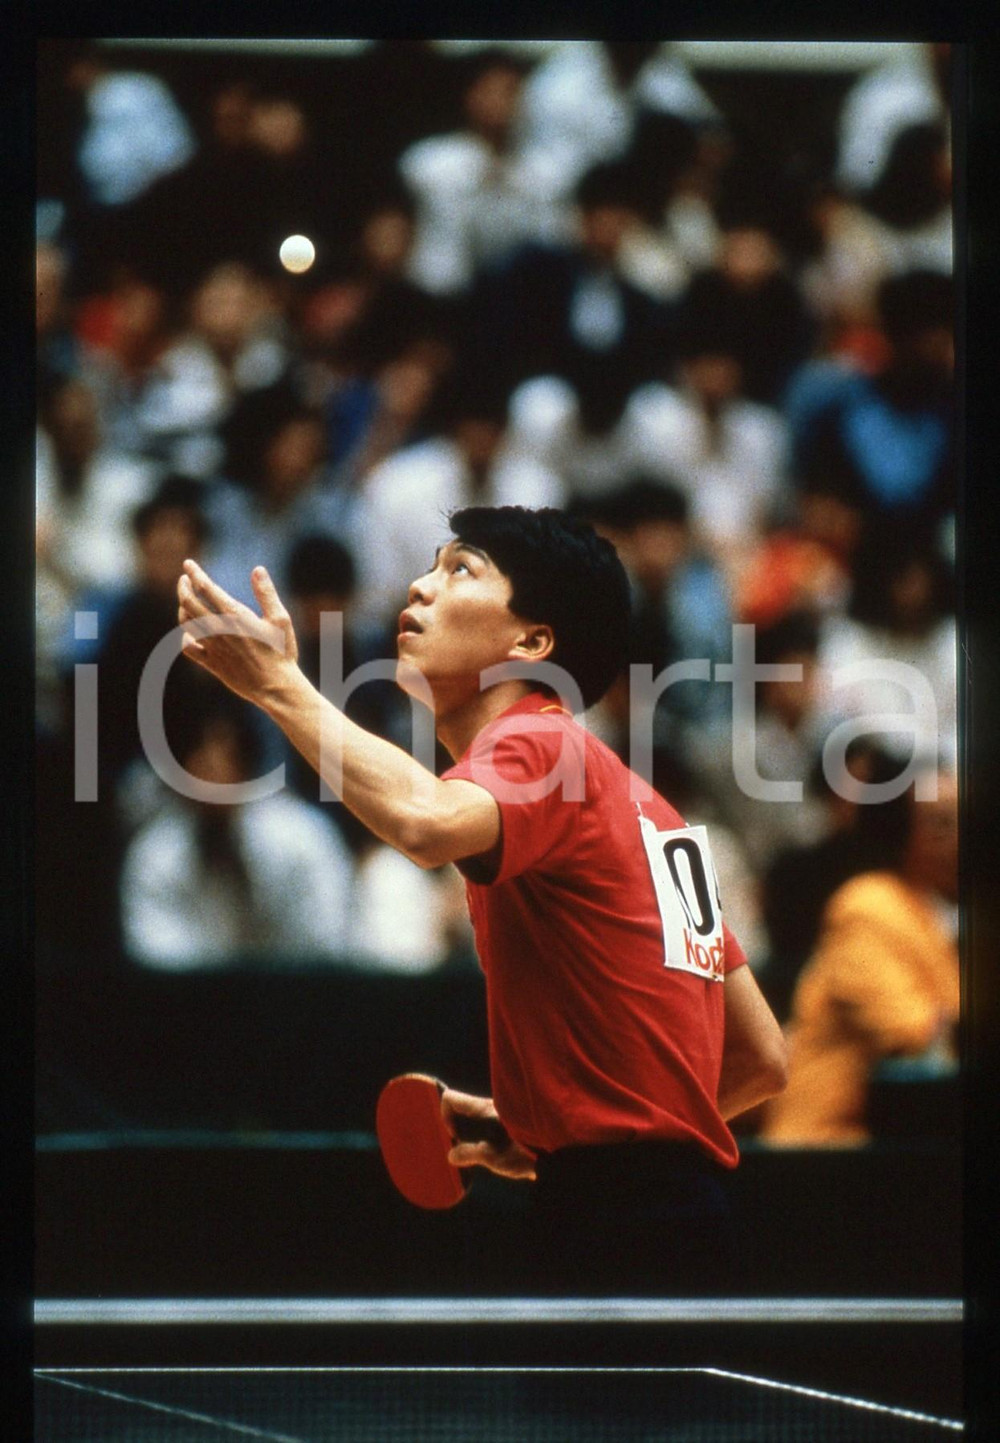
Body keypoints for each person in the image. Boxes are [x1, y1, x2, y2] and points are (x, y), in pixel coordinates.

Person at [176, 504, 787, 1293]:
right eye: (429, 564)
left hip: (618, 1233)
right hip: (678, 1218)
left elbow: (423, 822)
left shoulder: (543, 743)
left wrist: (277, 686)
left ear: (532, 643)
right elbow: (761, 1057)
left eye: (460, 569)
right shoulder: (656, 814)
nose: (421, 586)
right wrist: (564, 1129)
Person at [762, 766, 959, 1146]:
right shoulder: (866, 904)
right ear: (901, 834)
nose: (962, 840)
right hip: (826, 1150)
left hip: (892, 1148)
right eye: (942, 825)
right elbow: (913, 1032)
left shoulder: (934, 914)